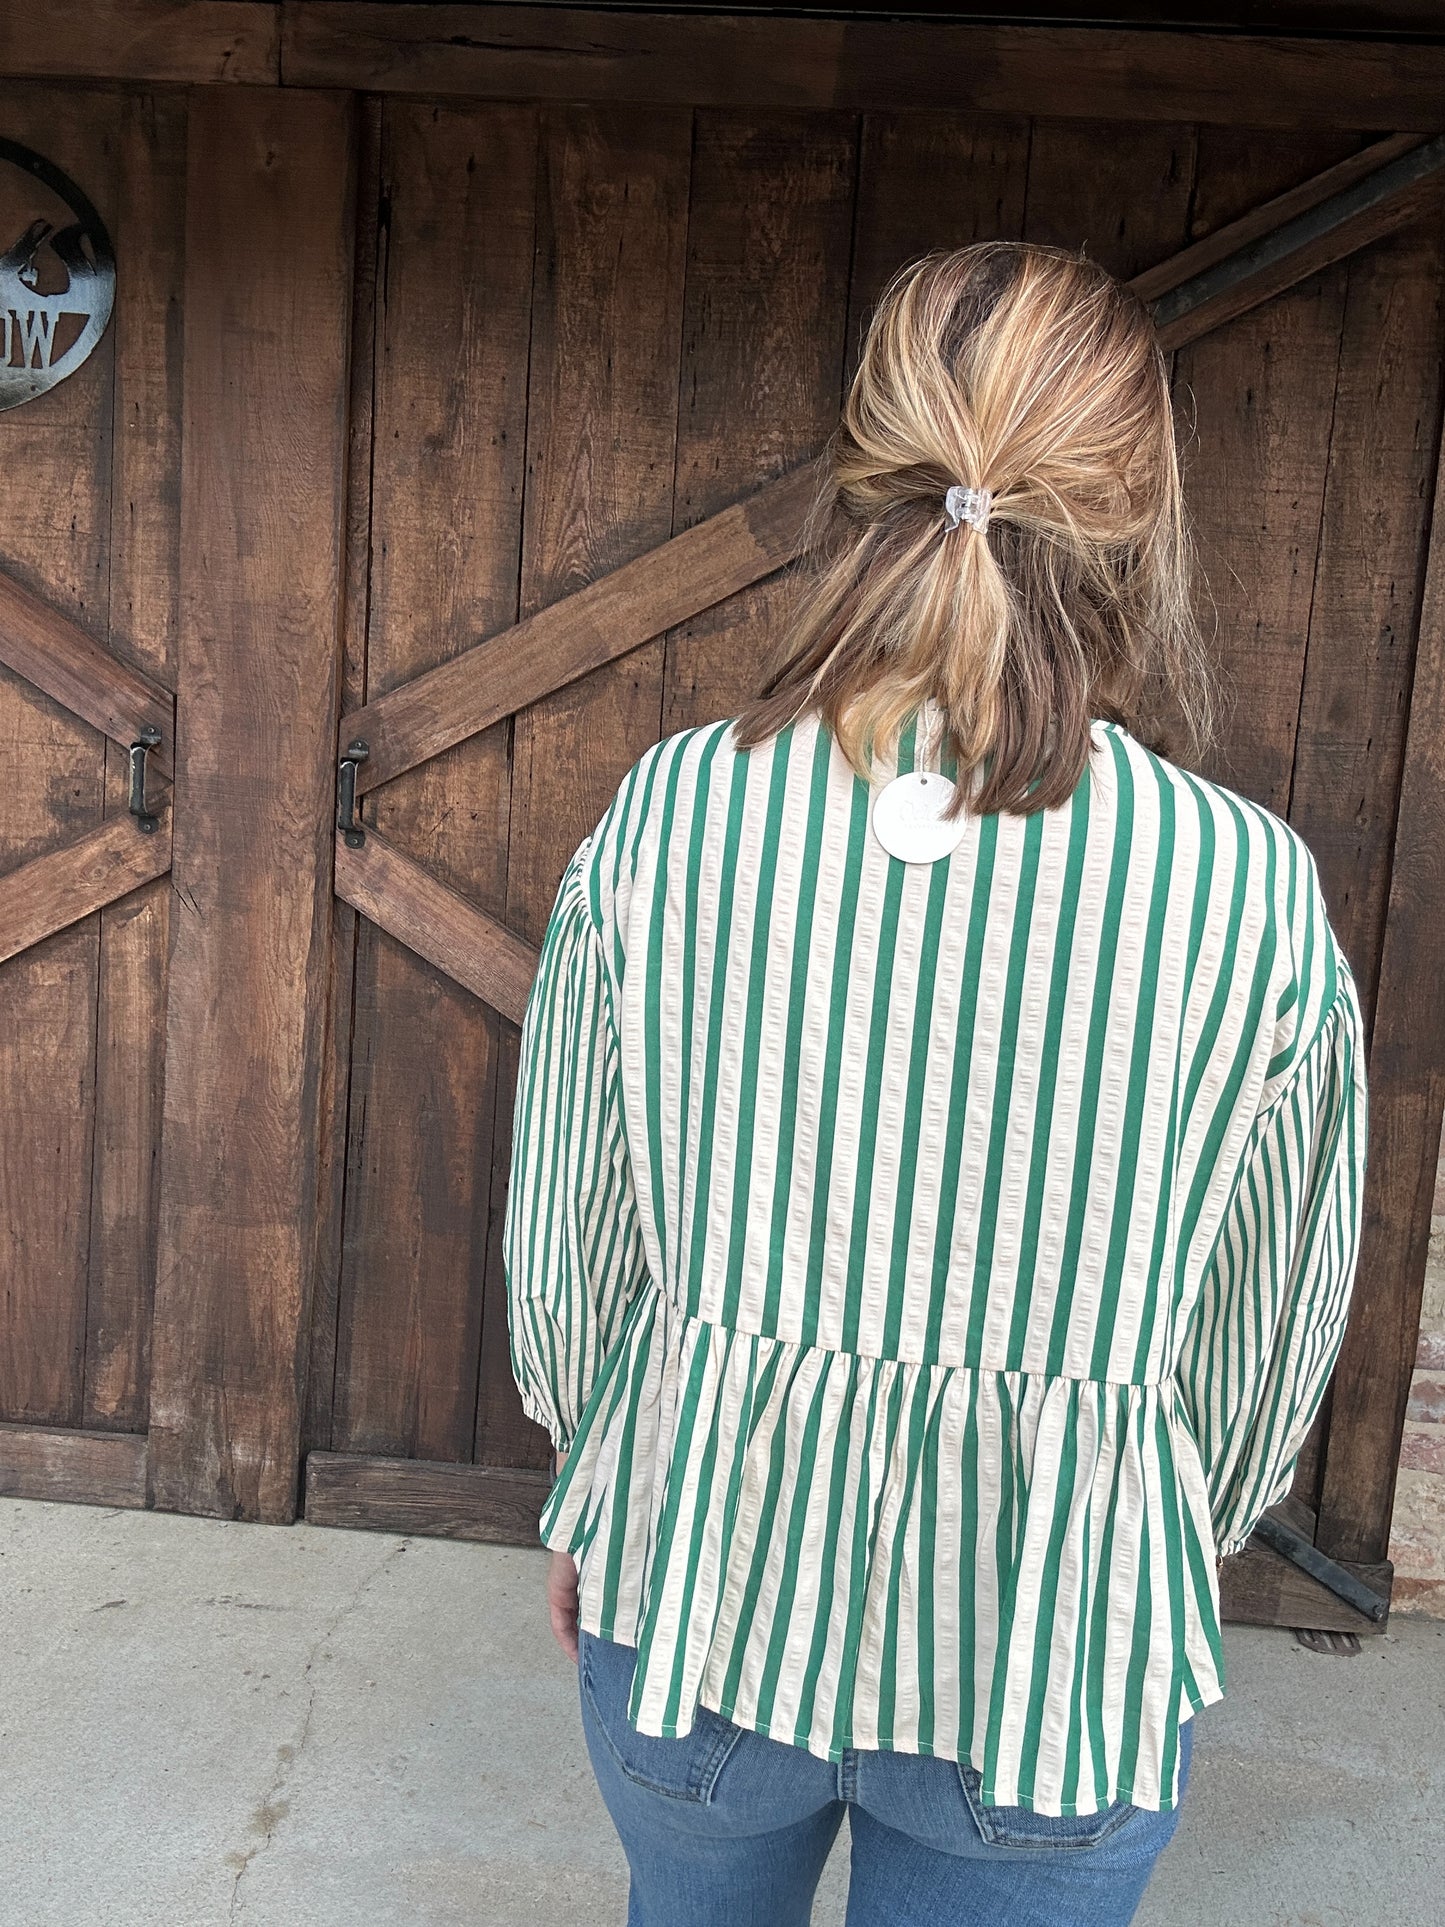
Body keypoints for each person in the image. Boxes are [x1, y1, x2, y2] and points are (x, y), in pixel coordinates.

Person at [503, 240, 1369, 1927]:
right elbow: (1270, 1325)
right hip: (1048, 1644)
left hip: (696, 1592)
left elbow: (570, 1230)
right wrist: (1153, 1542)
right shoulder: (1239, 886)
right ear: (1135, 505)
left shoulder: (677, 809)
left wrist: (593, 1468)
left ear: (865, 467)